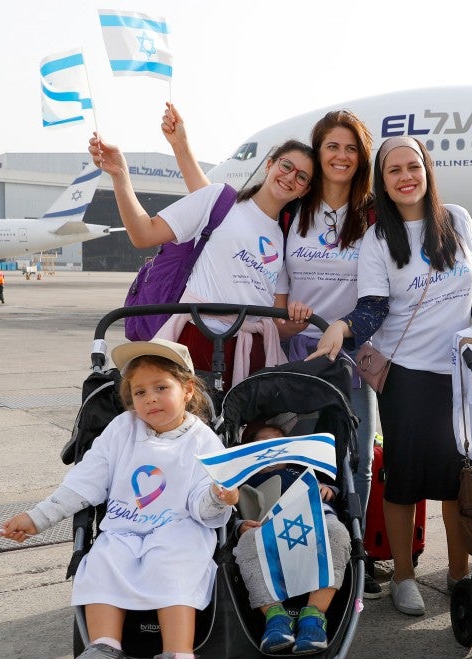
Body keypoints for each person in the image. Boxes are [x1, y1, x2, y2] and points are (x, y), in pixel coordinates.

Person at [160, 105, 383, 597]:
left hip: (344, 344)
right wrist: (182, 148)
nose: (340, 156)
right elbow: (225, 209)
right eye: (331, 147)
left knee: (354, 451)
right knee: (268, 444)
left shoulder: (370, 213)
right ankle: (249, 540)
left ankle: (352, 551)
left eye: (350, 148)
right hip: (284, 342)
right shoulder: (292, 208)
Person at [309, 136, 472, 616]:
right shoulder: (379, 240)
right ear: (383, 180)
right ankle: (403, 575)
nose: (405, 177)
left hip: (460, 369)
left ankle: (461, 575)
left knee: (458, 477)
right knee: (404, 479)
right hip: (408, 373)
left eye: (412, 167)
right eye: (393, 170)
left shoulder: (457, 219)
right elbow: (374, 307)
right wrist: (344, 326)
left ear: (427, 169)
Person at [0, 339, 239, 659]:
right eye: (139, 392)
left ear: (187, 389)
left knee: (172, 563)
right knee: (102, 560)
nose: (150, 400)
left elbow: (201, 503)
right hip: (126, 528)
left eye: (162, 387)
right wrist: (36, 518)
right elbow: (84, 482)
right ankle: (106, 649)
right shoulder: (122, 429)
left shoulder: (202, 440)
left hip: (181, 527)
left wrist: (217, 496)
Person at [88, 130, 315, 389]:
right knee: (190, 422)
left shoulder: (285, 239)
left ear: (304, 191)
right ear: (270, 164)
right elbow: (144, 233)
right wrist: (120, 176)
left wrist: (296, 325)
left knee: (250, 429)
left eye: (302, 177)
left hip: (254, 352)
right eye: (286, 165)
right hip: (199, 337)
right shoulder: (219, 199)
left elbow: (277, 323)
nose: (290, 177)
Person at [232, 422, 351, 653]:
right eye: (262, 444)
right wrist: (239, 526)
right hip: (267, 528)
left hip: (313, 521)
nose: (272, 450)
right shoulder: (243, 481)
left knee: (336, 533)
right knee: (246, 543)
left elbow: (332, 489)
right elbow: (230, 515)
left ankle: (314, 615)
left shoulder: (300, 471)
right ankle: (275, 617)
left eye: (279, 445)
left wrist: (329, 489)